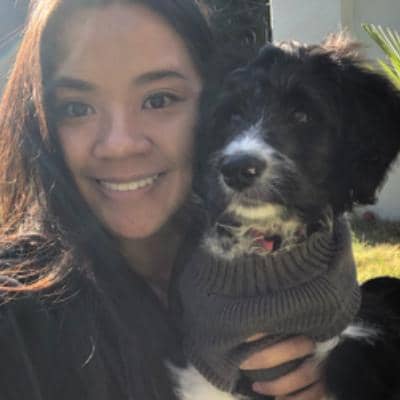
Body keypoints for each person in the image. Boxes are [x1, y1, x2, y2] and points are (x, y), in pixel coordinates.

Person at [0, 0, 326, 399]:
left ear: (217, 105)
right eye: (77, 108)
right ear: (40, 121)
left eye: (159, 99)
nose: (119, 144)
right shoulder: (16, 321)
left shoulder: (282, 261)